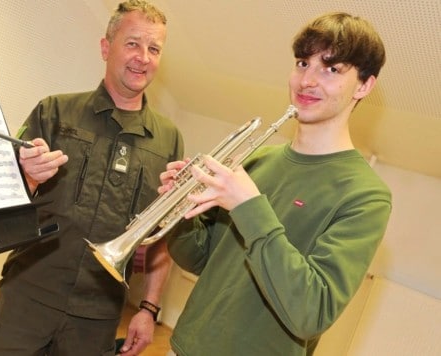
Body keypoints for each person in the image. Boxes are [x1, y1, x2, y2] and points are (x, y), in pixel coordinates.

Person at [158, 12, 391, 355]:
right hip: (184, 346)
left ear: (364, 85)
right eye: (302, 63)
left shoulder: (367, 195)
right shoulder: (258, 160)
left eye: (332, 69)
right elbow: (201, 259)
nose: (307, 81)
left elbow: (311, 312)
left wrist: (249, 208)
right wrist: (180, 210)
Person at [0, 1, 184, 355]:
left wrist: (149, 309)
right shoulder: (54, 111)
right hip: (28, 297)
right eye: (132, 43)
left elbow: (162, 233)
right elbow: (1, 200)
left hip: (98, 316)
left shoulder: (169, 140)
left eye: (154, 49)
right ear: (106, 47)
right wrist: (27, 178)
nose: (143, 57)